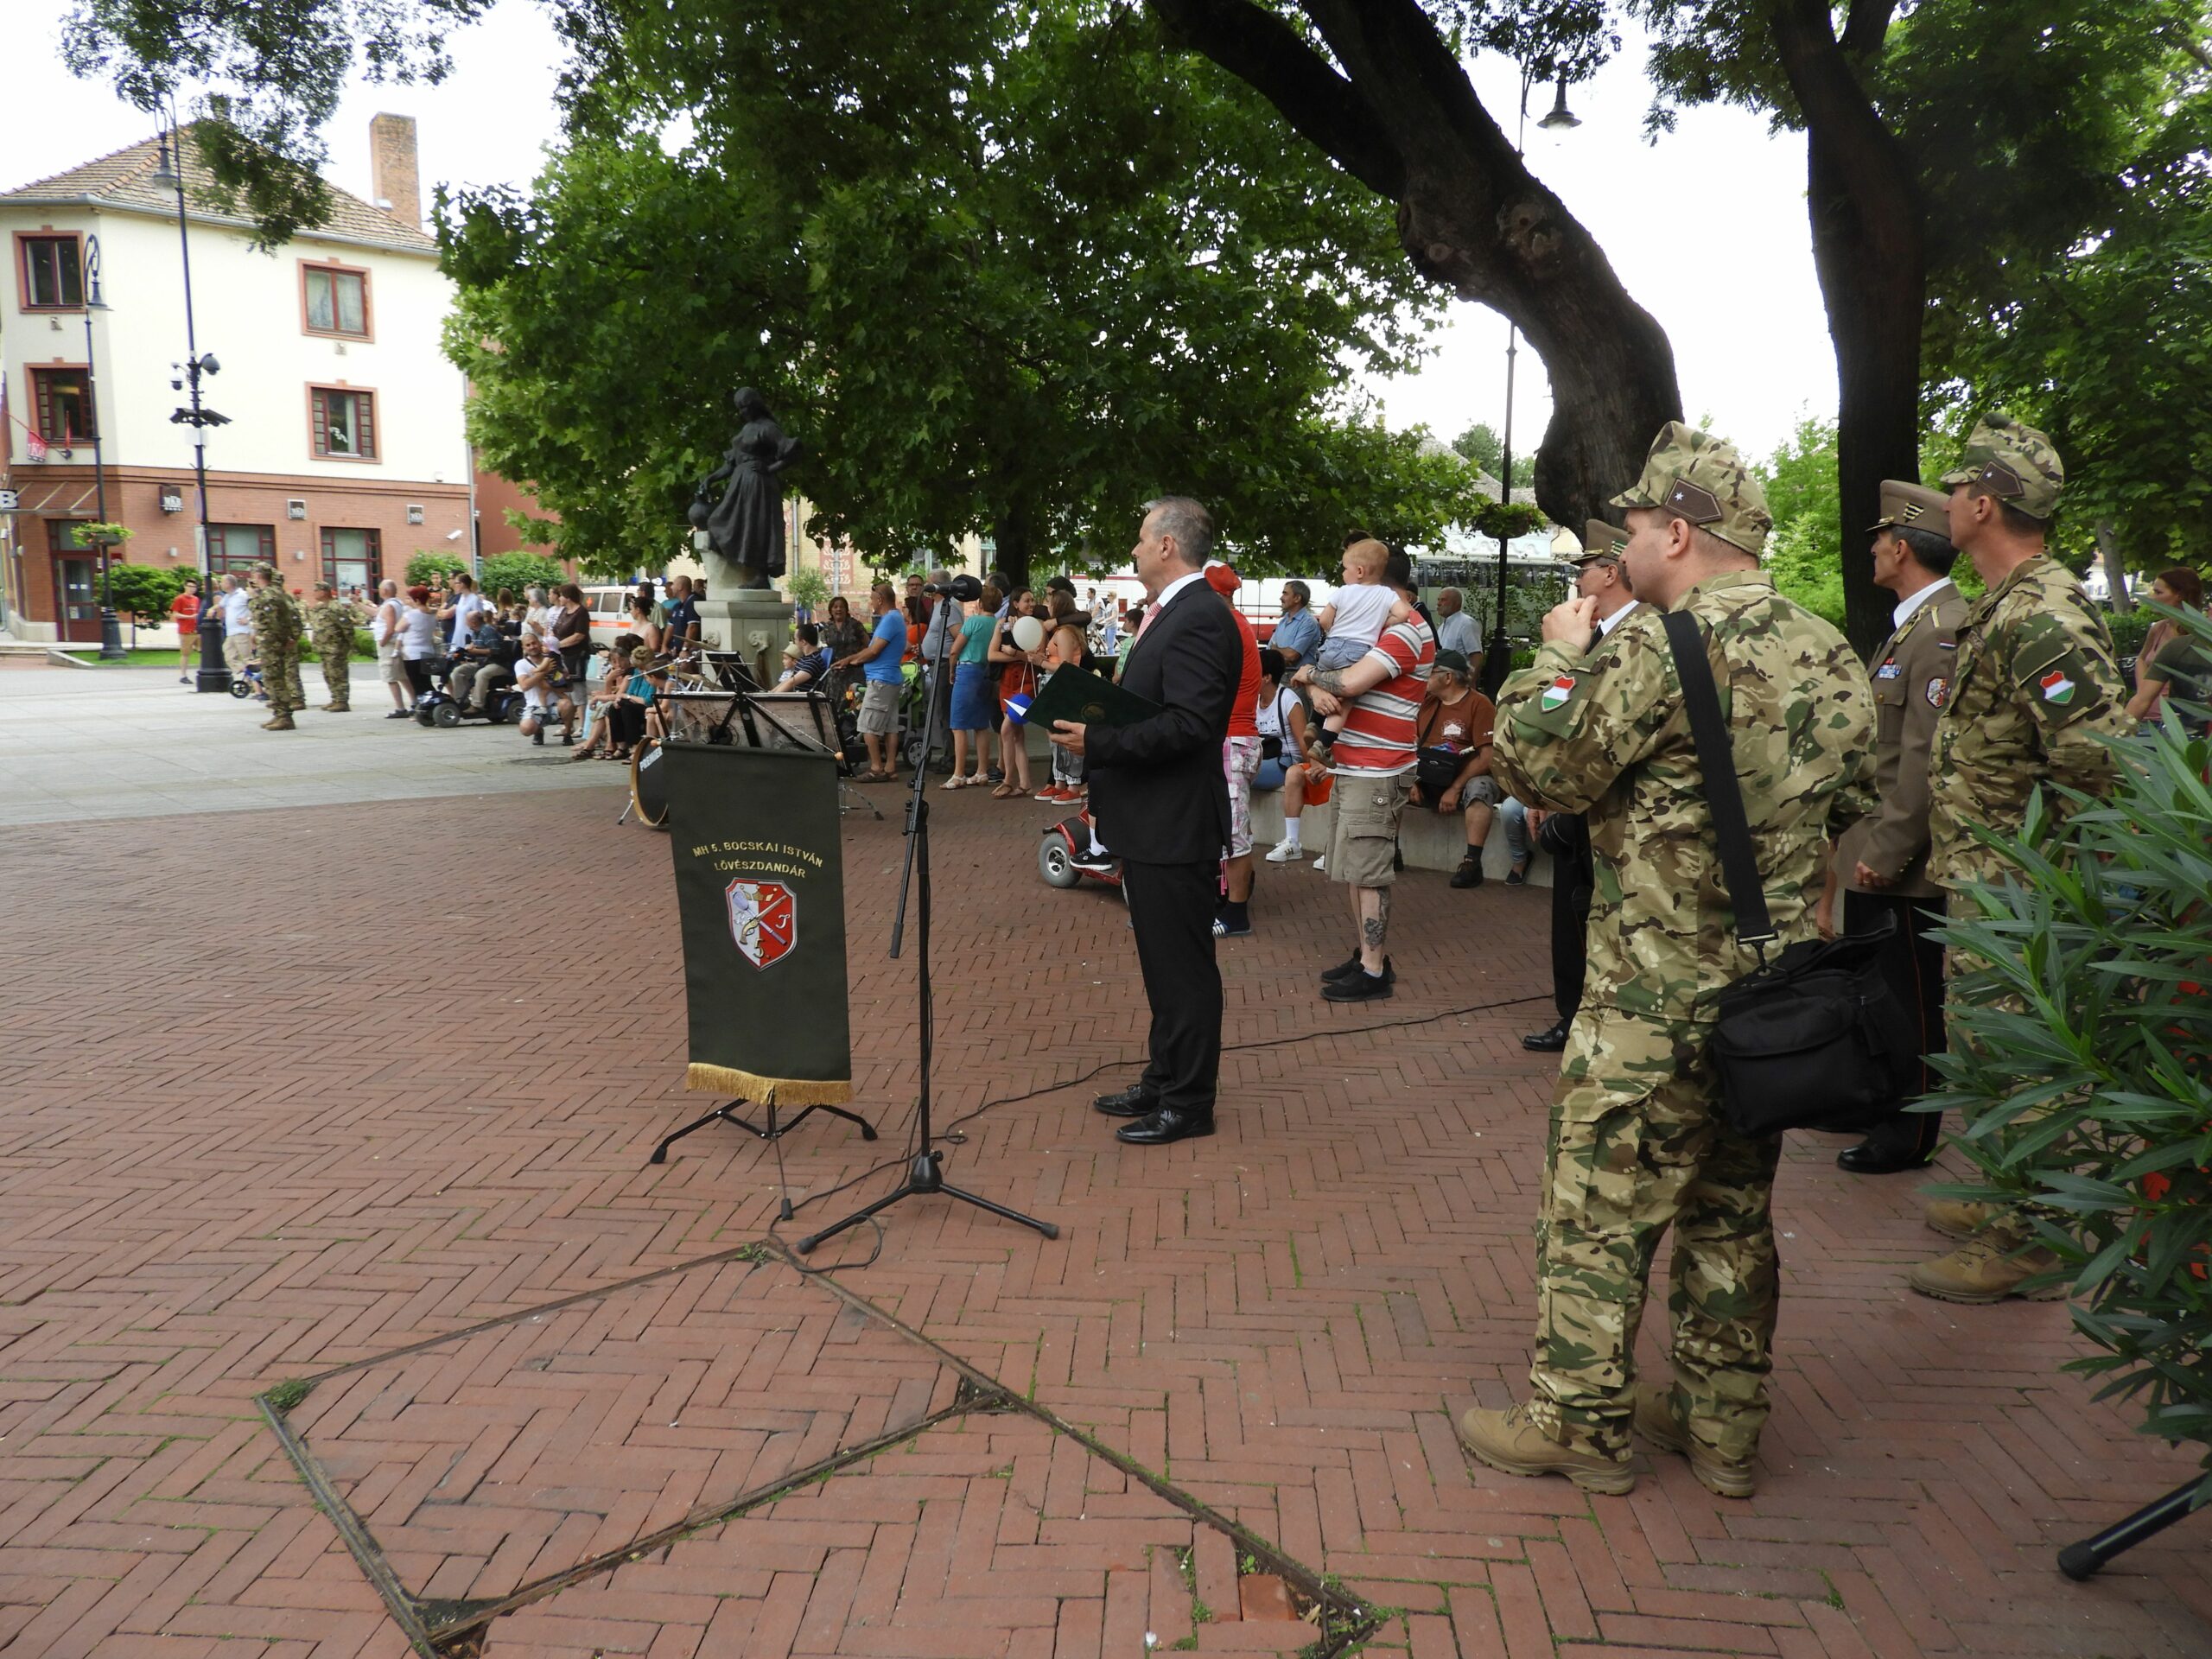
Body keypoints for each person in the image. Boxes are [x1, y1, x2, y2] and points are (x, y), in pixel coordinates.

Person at [1464, 422, 1874, 1500]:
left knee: (1598, 1205)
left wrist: (1560, 649)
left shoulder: (1651, 643)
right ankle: (1722, 1424)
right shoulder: (1825, 645)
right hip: (1771, 989)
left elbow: (1539, 768)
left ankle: (1580, 1422)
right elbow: (1855, 808)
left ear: (1679, 532)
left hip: (1652, 991)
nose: (1623, 550)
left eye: (1636, 528)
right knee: (1732, 1206)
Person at [1910, 414, 2133, 1304]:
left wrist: (2047, 871)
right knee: (1987, 1046)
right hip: (1990, 878)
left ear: (1981, 503)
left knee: (2019, 1058)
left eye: (1956, 488)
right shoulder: (2010, 603)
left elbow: (2101, 759)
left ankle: (2028, 1238)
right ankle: (2008, 1189)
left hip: (2019, 888)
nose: (1946, 502)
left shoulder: (2038, 614)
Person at [1055, 497, 1242, 1148]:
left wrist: (1099, 742)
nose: (1132, 550)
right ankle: (1164, 1078)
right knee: (1162, 965)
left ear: (1167, 544)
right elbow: (1157, 708)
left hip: (1176, 822)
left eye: (1139, 539)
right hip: (1153, 819)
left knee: (1182, 969)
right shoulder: (1177, 612)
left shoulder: (1197, 616)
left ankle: (1189, 1102)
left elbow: (1190, 726)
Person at [1815, 480, 1968, 1174]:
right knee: (1880, 992)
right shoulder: (1914, 625)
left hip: (1899, 857)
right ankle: (1880, 1103)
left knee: (1910, 999)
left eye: (1879, 538)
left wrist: (1890, 848)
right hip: (1879, 847)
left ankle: (1909, 1131)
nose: (1873, 548)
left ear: (1901, 547)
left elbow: (1925, 756)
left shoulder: (1939, 631)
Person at [1289, 539, 1434, 1002]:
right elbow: (1336, 679)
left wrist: (1308, 678)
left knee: (1369, 872)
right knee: (1356, 868)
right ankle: (1366, 957)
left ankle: (1373, 970)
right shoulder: (1376, 626)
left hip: (1378, 769)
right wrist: (1314, 688)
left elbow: (1349, 682)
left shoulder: (1406, 629)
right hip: (1356, 764)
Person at [1518, 521, 1638, 1051]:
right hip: (1574, 804)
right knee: (1570, 912)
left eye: (1584, 569)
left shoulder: (1637, 636)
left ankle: (1591, 1017)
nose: (1578, 579)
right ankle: (1572, 1012)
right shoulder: (1592, 633)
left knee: (1596, 915)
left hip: (1610, 808)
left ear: (1610, 572)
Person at [1205, 562, 1266, 938]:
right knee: (1226, 827)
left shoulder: (1225, 625)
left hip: (1232, 739)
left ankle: (1237, 912)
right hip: (1234, 739)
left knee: (1234, 831)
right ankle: (1228, 900)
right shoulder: (1235, 622)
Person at [1408, 650, 1499, 889]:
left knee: (1481, 787)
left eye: (1431, 672)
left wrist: (1456, 788)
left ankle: (1472, 863)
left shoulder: (1480, 704)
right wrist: (1411, 780)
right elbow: (1407, 744)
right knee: (1389, 779)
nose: (1425, 677)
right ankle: (1391, 852)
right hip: (1426, 774)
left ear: (1448, 677)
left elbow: (1487, 757)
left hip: (1462, 778)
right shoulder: (1425, 703)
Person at [1305, 539, 1404, 757]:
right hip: (1357, 651)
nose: (1342, 573)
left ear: (1359, 571)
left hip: (1331, 647)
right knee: (1346, 700)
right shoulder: (1387, 595)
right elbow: (1403, 614)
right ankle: (1323, 744)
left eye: (1344, 568)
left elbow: (1323, 620)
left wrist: (1334, 632)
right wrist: (1384, 621)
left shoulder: (1343, 592)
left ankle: (1313, 724)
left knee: (1326, 685)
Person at [834, 582, 909, 781]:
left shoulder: (890, 620)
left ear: (880, 599)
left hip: (881, 681)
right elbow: (873, 648)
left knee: (867, 725)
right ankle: (890, 767)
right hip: (891, 679)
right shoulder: (895, 618)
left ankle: (876, 768)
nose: (871, 602)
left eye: (872, 598)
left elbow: (875, 650)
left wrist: (852, 660)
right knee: (890, 726)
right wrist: (851, 660)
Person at [2124, 566, 2206, 730]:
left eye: (2158, 592)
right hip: (2145, 716)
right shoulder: (2158, 629)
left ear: (2179, 595)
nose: (2152, 597)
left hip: (2179, 724)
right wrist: (2144, 687)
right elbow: (2142, 658)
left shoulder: (2201, 637)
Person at [988, 589, 1043, 799]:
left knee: (1006, 730)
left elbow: (1037, 656)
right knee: (1017, 735)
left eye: (1032, 600)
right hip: (1008, 681)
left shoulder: (1036, 625)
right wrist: (1015, 657)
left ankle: (1008, 780)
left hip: (1026, 682)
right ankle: (1025, 783)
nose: (1031, 603)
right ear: (1016, 603)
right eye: (1027, 600)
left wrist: (1016, 654)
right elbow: (992, 655)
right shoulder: (1003, 623)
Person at [944, 584, 1001, 787]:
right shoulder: (996, 624)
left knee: (958, 725)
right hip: (986, 674)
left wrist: (952, 670)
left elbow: (955, 650)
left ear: (980, 602)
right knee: (981, 725)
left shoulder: (973, 622)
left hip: (967, 672)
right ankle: (982, 771)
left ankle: (958, 774)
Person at [246, 565, 306, 731]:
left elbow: (273, 622)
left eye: (253, 574)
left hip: (272, 643)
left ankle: (284, 716)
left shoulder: (269, 595)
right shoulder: (269, 594)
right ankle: (279, 714)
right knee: (272, 678)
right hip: (270, 643)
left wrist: (281, 640)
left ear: (258, 576)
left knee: (275, 679)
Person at [304, 581, 358, 713]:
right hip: (324, 648)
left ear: (323, 592)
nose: (313, 593)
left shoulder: (336, 608)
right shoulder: (320, 607)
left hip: (336, 648)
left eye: (315, 590)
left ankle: (342, 701)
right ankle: (335, 698)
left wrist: (349, 646)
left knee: (338, 674)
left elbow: (347, 628)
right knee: (328, 675)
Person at [819, 593, 867, 709]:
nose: (838, 609)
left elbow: (867, 644)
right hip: (835, 672)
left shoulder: (855, 625)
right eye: (835, 607)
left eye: (842, 607)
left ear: (846, 609)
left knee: (852, 702)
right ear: (831, 610)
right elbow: (822, 648)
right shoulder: (826, 628)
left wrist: (858, 658)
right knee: (833, 704)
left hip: (854, 671)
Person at [370, 579, 410, 717]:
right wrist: (357, 603)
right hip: (395, 644)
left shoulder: (389, 606)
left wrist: (382, 642)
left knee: (391, 677)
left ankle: (400, 708)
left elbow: (390, 629)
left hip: (388, 645)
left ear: (385, 591)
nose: (379, 590)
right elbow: (374, 612)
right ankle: (415, 702)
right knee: (402, 676)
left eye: (380, 588)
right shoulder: (396, 603)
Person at [396, 584, 441, 702]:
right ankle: (433, 703)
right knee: (426, 681)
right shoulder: (432, 614)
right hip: (428, 651)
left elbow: (398, 628)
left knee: (417, 683)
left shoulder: (411, 614)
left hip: (412, 654)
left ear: (416, 600)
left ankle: (423, 707)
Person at [1432, 587, 1484, 683]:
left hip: (1459, 682)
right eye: (1438, 600)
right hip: (1443, 683)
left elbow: (1476, 655)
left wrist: (1471, 681)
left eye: (1443, 600)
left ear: (1456, 603)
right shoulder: (1443, 626)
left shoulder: (1467, 623)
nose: (1438, 604)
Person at [545, 584, 593, 690]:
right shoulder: (564, 611)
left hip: (576, 654)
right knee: (563, 684)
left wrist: (557, 645)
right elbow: (556, 629)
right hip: (562, 654)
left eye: (561, 595)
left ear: (568, 597)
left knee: (576, 687)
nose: (559, 598)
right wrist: (550, 641)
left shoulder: (581, 612)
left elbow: (578, 636)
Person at [1271, 581, 1322, 670]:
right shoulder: (1283, 622)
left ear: (1297, 598)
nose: (1281, 598)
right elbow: (1270, 651)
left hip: (1299, 680)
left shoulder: (1309, 622)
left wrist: (1276, 649)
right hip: (1281, 676)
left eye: (1285, 594)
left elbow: (1292, 655)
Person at [218, 574, 253, 680]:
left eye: (222, 582)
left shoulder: (243, 595)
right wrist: (212, 609)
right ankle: (249, 673)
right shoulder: (227, 596)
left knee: (247, 657)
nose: (221, 584)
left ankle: (253, 682)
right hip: (231, 632)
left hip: (242, 631)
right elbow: (220, 605)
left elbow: (255, 607)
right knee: (228, 655)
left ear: (229, 584)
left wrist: (248, 619)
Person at [441, 571, 487, 652]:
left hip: (469, 634)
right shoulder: (461, 598)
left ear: (462, 584)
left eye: (456, 583)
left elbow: (480, 619)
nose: (454, 585)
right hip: (458, 633)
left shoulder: (474, 599)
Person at [663, 575, 702, 662]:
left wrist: (685, 649)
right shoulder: (677, 606)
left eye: (674, 584)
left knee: (685, 669)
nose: (671, 587)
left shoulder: (692, 602)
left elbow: (692, 627)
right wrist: (664, 646)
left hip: (690, 651)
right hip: (676, 651)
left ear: (680, 587)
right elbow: (670, 627)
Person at [171, 578, 201, 684]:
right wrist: (189, 617)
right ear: (185, 586)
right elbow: (175, 614)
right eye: (190, 586)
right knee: (185, 653)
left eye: (194, 587)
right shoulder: (180, 599)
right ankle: (183, 675)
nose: (192, 589)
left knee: (203, 650)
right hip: (185, 630)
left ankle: (202, 671)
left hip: (196, 629)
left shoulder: (196, 599)